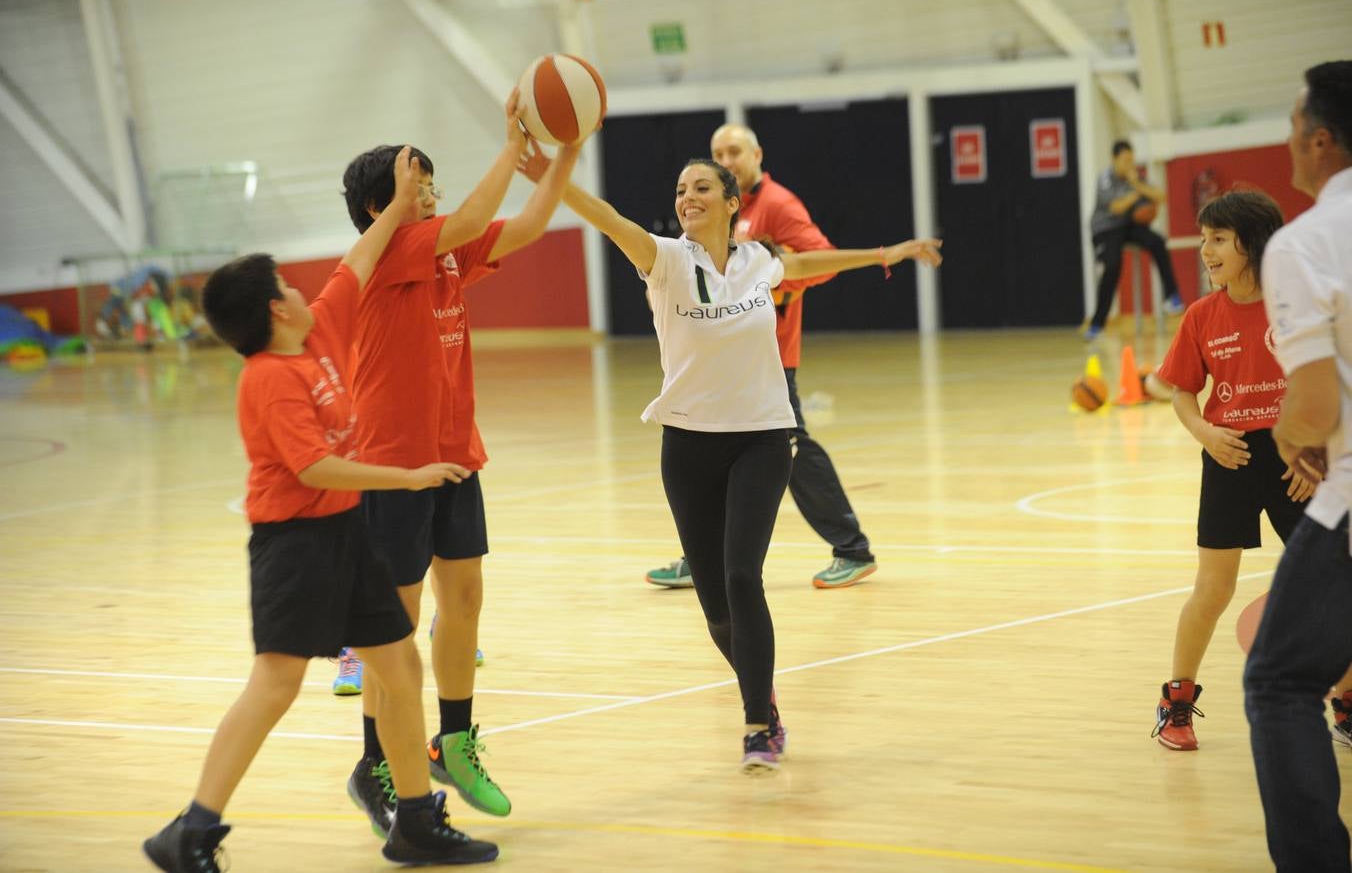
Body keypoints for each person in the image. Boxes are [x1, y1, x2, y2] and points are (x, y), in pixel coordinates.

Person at [521, 147, 940, 771]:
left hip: (762, 437)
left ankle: (757, 725)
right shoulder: (663, 261)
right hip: (687, 444)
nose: (686, 198)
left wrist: (886, 254)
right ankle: (762, 693)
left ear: (730, 202)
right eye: (680, 189)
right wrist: (556, 178)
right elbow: (607, 217)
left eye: (701, 189)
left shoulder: (759, 262)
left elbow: (812, 262)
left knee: (744, 576)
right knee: (716, 605)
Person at [143, 147, 498, 871]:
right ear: (277, 308)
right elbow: (314, 466)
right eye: (288, 285)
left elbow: (357, 265)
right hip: (295, 544)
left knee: (398, 670)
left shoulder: (321, 332)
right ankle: (191, 830)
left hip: (346, 532)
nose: (310, 287)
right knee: (277, 682)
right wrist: (408, 478)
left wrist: (399, 205)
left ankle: (415, 822)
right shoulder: (269, 379)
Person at [338, 107, 587, 833]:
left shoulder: (442, 253)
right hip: (393, 465)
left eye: (430, 180)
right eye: (417, 181)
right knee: (398, 628)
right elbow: (480, 210)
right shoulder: (390, 251)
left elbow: (527, 225)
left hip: (453, 454)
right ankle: (373, 765)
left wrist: (565, 153)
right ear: (379, 207)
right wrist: (512, 148)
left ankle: (451, 740)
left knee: (466, 600)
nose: (431, 191)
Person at [644, 123, 878, 590]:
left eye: (734, 152)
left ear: (757, 155)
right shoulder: (713, 210)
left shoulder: (777, 205)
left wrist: (770, 296)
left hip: (764, 357)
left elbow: (817, 259)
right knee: (718, 449)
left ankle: (851, 547)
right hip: (717, 362)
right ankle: (702, 553)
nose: (725, 160)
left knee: (789, 449)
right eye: (718, 153)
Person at [1149, 189, 1323, 751]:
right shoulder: (1201, 316)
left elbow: (1327, 381)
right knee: (1213, 588)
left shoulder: (1294, 305)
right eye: (1202, 239)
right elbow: (1180, 394)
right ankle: (1175, 702)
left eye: (1218, 239)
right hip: (1228, 457)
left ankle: (1345, 700)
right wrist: (1203, 432)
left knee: (1329, 584)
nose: (1205, 250)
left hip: (1295, 458)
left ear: (1251, 243)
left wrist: (1315, 448)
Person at [1245, 60, 1352, 872]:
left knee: (1279, 681)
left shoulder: (1306, 243)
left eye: (1291, 126)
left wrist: (1291, 438)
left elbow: (1314, 407)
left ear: (1321, 142)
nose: (1285, 141)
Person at [1085, 140, 1185, 341]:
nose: (1129, 164)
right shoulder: (1105, 179)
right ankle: (1097, 324)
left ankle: (1171, 296)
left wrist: (1137, 184)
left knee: (1157, 241)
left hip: (1127, 226)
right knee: (1113, 265)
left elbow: (1161, 196)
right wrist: (1137, 191)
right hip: (1106, 229)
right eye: (1125, 160)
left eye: (1131, 159)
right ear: (1114, 160)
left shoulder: (1135, 178)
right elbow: (1117, 207)